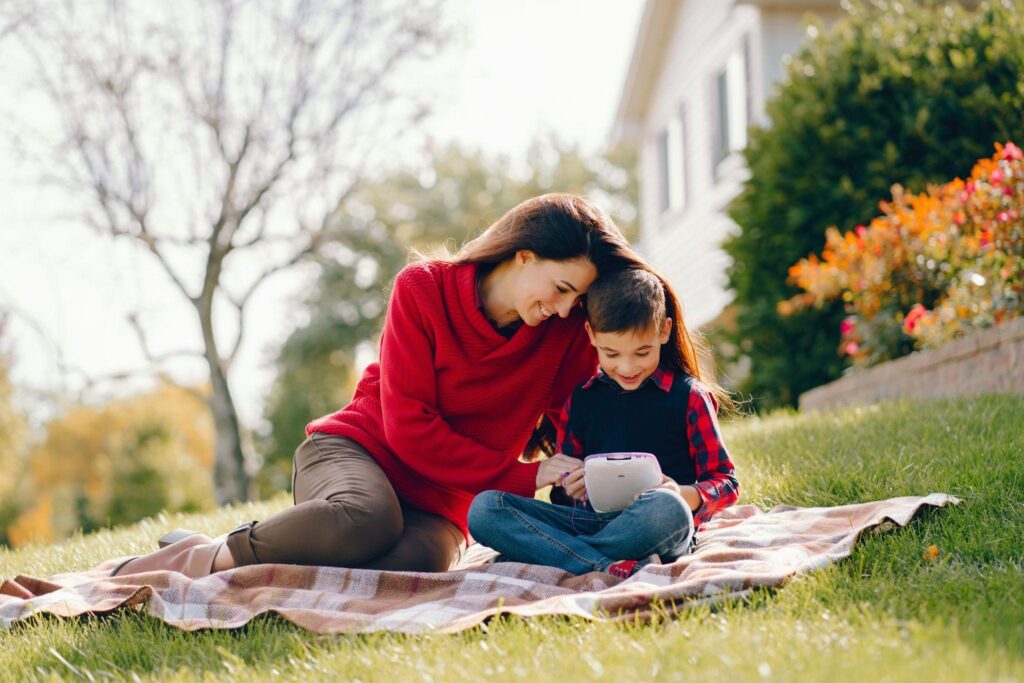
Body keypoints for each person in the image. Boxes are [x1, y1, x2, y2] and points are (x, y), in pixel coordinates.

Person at [106, 193, 643, 578]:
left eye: (578, 297)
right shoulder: (424, 289)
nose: (568, 307)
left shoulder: (563, 330)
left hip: (442, 503)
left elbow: (585, 415)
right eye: (562, 288)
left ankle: (263, 547)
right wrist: (519, 477)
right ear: (524, 255)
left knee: (413, 566)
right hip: (357, 454)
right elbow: (408, 429)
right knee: (367, 520)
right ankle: (201, 558)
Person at [467, 267, 739, 578]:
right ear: (591, 336)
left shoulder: (689, 397)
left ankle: (555, 555)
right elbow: (565, 497)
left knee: (668, 509)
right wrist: (572, 486)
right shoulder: (581, 401)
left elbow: (726, 481)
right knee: (486, 509)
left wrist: (683, 494)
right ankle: (606, 564)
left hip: (656, 524)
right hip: (591, 521)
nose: (627, 367)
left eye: (642, 352)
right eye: (611, 353)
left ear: (663, 332)